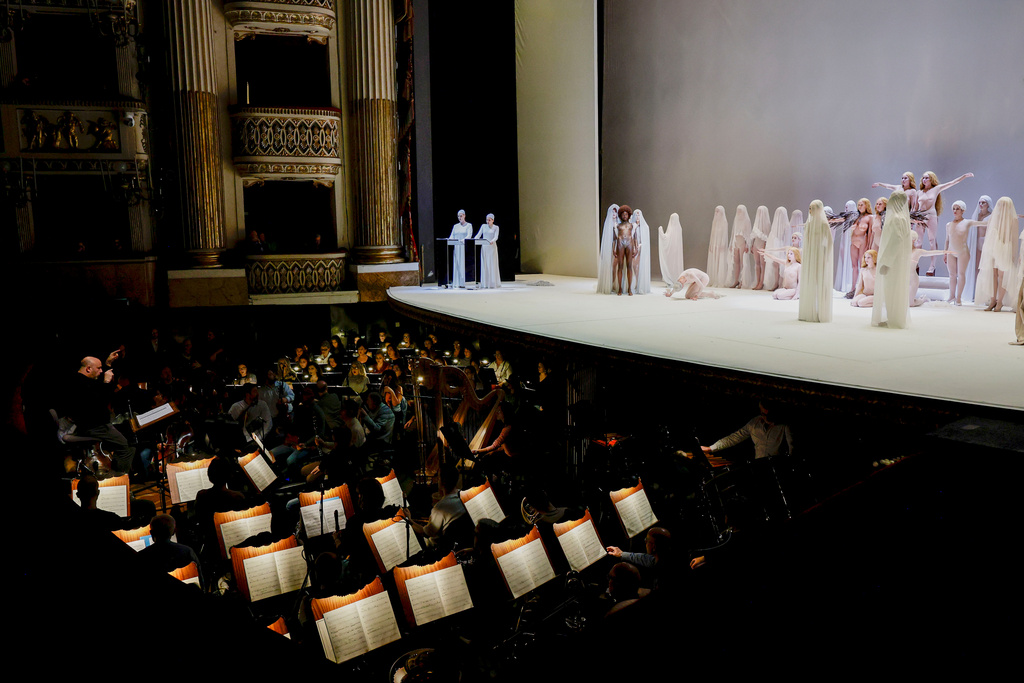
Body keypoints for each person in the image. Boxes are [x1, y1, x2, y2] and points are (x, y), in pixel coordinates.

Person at [65, 352, 135, 474]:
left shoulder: (85, 380)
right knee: (127, 447)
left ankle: (118, 473)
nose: (101, 371)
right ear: (88, 368)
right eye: (99, 368)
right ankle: (119, 479)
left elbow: (101, 389)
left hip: (98, 425)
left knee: (129, 433)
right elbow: (100, 400)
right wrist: (107, 383)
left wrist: (108, 364)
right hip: (95, 426)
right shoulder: (79, 383)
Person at [913, 171, 974, 276]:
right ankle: (915, 265)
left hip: (931, 216)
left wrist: (963, 176)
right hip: (920, 217)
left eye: (927, 178)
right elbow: (915, 208)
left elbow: (951, 183)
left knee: (932, 240)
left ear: (931, 179)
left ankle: (932, 266)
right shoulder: (919, 192)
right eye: (923, 178)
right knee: (918, 242)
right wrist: (913, 219)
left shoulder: (936, 189)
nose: (924, 180)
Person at [872, 189, 913, 329]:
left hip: (893, 260)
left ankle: (894, 319)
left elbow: (896, 240)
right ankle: (893, 317)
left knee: (892, 288)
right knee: (894, 288)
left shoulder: (896, 218)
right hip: (896, 259)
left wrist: (886, 262)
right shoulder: (901, 218)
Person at [701, 401, 794, 460]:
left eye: (769, 414)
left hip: (778, 470)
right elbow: (734, 438)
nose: (767, 418)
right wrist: (711, 448)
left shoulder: (784, 425)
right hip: (758, 468)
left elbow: (792, 449)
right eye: (764, 414)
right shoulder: (754, 423)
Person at [975, 196, 1021, 312]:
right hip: (993, 249)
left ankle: (999, 302)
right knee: (993, 274)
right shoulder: (993, 218)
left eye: (1004, 205)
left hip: (1005, 249)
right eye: (1000, 204)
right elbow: (989, 235)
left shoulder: (1013, 219)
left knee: (1002, 275)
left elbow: (1014, 238)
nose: (1001, 207)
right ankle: (992, 300)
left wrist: (1013, 254)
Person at [138, 514, 203, 590]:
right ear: (174, 531)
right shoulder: (187, 551)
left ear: (151, 533)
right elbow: (200, 577)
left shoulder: (142, 556)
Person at [943, 200, 988, 306]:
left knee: (961, 274)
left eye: (957, 208)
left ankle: (958, 298)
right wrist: (945, 253)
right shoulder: (949, 224)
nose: (955, 211)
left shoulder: (967, 222)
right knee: (952, 275)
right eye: (954, 208)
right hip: (950, 251)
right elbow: (947, 240)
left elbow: (983, 223)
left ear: (962, 210)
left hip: (962, 252)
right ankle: (951, 296)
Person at [798, 200, 833, 323]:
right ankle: (809, 311)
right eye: (809, 208)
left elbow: (829, 241)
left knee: (820, 281)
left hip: (820, 255)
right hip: (810, 255)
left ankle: (821, 311)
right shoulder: (809, 222)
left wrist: (826, 255)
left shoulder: (823, 223)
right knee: (810, 280)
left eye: (812, 208)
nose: (810, 211)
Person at [965, 195, 994, 302]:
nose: (981, 205)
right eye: (980, 202)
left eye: (983, 203)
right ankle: (975, 292)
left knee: (985, 268)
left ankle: (985, 294)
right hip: (975, 243)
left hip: (986, 243)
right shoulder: (976, 216)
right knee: (976, 267)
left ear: (988, 204)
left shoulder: (991, 216)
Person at [763, 207, 790, 290]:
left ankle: (781, 284)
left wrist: (786, 250)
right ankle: (776, 283)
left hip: (782, 246)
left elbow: (787, 239)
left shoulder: (787, 225)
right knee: (775, 265)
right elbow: (772, 236)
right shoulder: (775, 224)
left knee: (782, 265)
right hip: (775, 245)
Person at [706, 205, 731, 287]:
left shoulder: (724, 222)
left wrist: (723, 245)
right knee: (714, 261)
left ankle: (719, 280)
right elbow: (712, 235)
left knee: (719, 261)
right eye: (715, 211)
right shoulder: (714, 222)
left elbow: (724, 235)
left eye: (718, 211)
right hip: (714, 245)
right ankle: (713, 279)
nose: (716, 213)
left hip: (720, 246)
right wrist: (711, 245)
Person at [474, 213, 501, 288]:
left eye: (489, 220)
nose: (487, 221)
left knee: (492, 264)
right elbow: (478, 235)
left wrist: (492, 241)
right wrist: (473, 240)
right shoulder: (483, 226)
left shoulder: (496, 227)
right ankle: (485, 283)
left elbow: (496, 237)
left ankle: (493, 283)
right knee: (485, 264)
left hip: (492, 247)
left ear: (493, 220)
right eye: (487, 220)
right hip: (484, 247)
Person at [658, 212, 685, 288]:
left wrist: (660, 231)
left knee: (671, 264)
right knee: (675, 264)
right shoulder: (679, 228)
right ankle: (676, 278)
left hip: (672, 253)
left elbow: (665, 238)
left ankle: (671, 278)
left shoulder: (672, 228)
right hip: (676, 254)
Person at [448, 210, 473, 288]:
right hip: (457, 247)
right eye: (458, 216)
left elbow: (469, 235)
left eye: (461, 216)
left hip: (464, 247)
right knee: (457, 264)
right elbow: (452, 235)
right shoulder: (456, 226)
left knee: (463, 264)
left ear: (464, 216)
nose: (459, 217)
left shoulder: (469, 225)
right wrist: (449, 240)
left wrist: (462, 241)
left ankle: (463, 282)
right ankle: (457, 282)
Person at [729, 205, 751, 288]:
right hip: (736, 242)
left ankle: (742, 281)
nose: (738, 212)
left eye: (740, 210)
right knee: (736, 262)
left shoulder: (746, 220)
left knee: (743, 263)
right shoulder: (736, 219)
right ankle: (736, 280)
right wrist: (731, 244)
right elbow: (733, 233)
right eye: (737, 210)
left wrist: (748, 245)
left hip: (742, 243)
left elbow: (748, 234)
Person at [749, 206, 771, 290]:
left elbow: (767, 237)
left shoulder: (767, 224)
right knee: (757, 264)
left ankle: (761, 282)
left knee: (763, 264)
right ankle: (757, 281)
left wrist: (765, 247)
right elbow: (754, 235)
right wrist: (752, 245)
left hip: (762, 246)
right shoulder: (756, 222)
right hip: (756, 245)